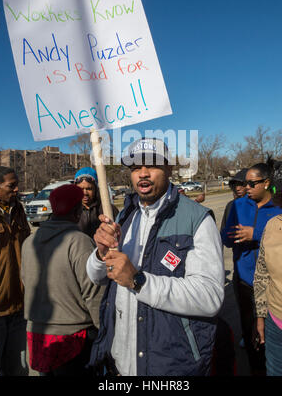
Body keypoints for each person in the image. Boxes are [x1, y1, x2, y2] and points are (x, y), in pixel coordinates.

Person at [86, 138, 225, 376]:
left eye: (151, 166)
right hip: (119, 363)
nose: (142, 174)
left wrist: (139, 281)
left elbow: (210, 297)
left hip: (168, 366)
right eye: (135, 168)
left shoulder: (197, 219)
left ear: (169, 168)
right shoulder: (125, 216)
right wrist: (100, 254)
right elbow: (97, 277)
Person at [21, 184, 102, 376]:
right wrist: (104, 329)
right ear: (76, 211)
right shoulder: (78, 241)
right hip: (74, 336)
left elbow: (25, 280)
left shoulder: (28, 242)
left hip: (39, 334)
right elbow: (93, 292)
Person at [221, 161, 282, 375]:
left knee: (274, 332)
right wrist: (232, 235)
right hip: (245, 281)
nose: (245, 188)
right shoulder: (237, 206)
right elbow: (226, 239)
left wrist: (255, 234)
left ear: (267, 183)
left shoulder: (280, 206)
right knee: (250, 334)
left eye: (251, 184)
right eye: (244, 183)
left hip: (276, 281)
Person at [254, 160, 282, 376]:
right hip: (278, 330)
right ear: (281, 201)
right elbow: (262, 275)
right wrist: (261, 316)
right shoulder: (273, 227)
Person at [0, 166, 30, 376]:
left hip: (18, 308)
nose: (17, 189)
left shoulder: (19, 211)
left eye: (17, 184)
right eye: (11, 185)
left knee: (18, 370)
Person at [74, 167, 118, 239]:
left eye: (89, 189)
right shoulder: (71, 212)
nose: (85, 193)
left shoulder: (108, 209)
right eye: (81, 189)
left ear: (96, 189)